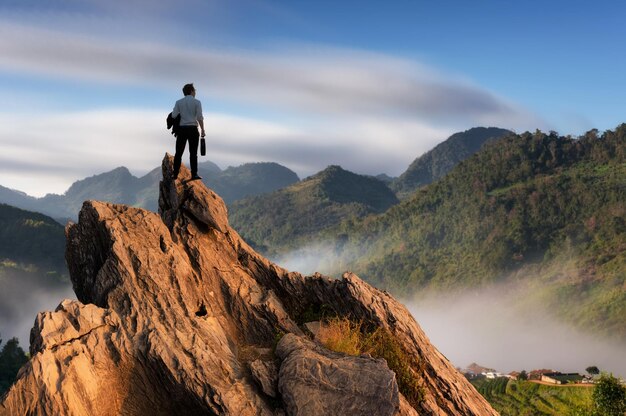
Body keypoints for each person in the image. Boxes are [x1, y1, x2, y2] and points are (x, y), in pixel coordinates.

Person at [171, 83, 205, 180]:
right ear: (191, 91)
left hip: (182, 130)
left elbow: (173, 115)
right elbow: (199, 117)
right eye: (194, 90)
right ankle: (194, 174)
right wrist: (202, 129)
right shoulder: (197, 102)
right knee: (193, 153)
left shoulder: (178, 102)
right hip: (193, 129)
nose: (195, 92)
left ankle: (175, 174)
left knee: (178, 153)